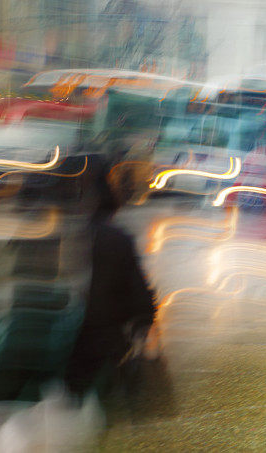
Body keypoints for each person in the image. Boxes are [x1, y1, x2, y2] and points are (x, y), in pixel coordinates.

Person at [65, 156, 157, 396]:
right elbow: (140, 297)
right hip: (97, 339)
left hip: (49, 342)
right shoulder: (115, 238)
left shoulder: (44, 232)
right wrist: (143, 322)